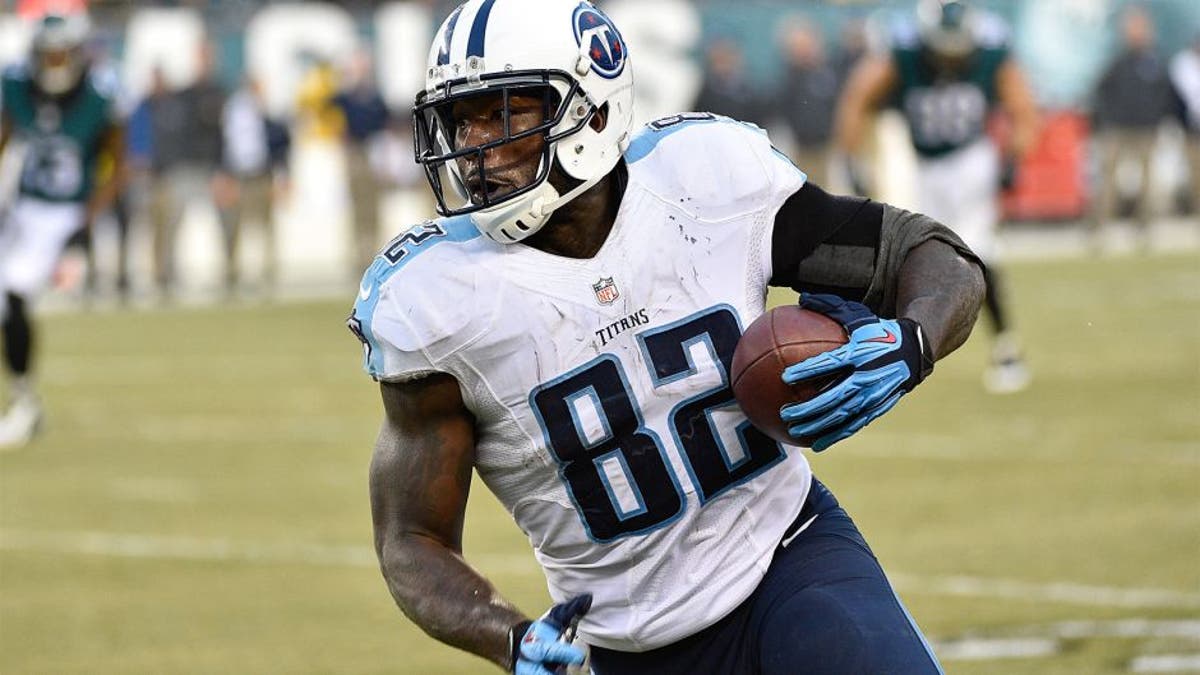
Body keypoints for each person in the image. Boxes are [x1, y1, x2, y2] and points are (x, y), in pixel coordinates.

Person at [348, 1, 983, 673]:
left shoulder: (705, 180)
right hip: (628, 644)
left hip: (791, 557)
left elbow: (927, 254)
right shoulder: (433, 301)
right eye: (460, 119)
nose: (475, 147)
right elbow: (410, 538)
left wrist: (913, 342)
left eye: (504, 112)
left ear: (590, 108)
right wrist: (507, 636)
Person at [835, 0, 1038, 394]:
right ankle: (890, 346)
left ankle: (1006, 347)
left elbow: (1023, 107)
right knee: (915, 254)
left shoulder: (990, 48)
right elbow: (857, 98)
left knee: (977, 250)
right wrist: (854, 159)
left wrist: (1015, 158)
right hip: (924, 166)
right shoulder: (903, 51)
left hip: (971, 159)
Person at [0, 13, 125, 448]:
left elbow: (119, 165)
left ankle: (25, 403)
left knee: (12, 294)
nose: (53, 64)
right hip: (22, 209)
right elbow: (6, 135)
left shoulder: (98, 96)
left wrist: (83, 225)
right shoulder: (16, 87)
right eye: (46, 54)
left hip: (65, 214)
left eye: (61, 54)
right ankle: (24, 400)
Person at [1090, 5, 1178, 245]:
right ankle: (1100, 228)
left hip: (1146, 128)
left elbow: (1166, 94)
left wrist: (1158, 117)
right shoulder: (1118, 61)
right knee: (1108, 181)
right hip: (1117, 128)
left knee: (1148, 181)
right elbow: (1101, 90)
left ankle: (1144, 229)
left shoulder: (1157, 61)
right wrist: (1107, 119)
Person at [216, 75, 290, 296]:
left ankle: (266, 272)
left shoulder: (265, 117)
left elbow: (278, 145)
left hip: (261, 176)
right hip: (239, 177)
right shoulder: (235, 116)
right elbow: (226, 148)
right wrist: (224, 175)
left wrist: (282, 175)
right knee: (236, 227)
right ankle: (236, 273)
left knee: (264, 226)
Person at [332, 50, 392, 274]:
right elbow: (333, 104)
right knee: (357, 206)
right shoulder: (349, 96)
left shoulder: (374, 96)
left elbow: (382, 125)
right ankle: (357, 254)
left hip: (372, 151)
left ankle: (373, 252)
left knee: (373, 207)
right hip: (355, 152)